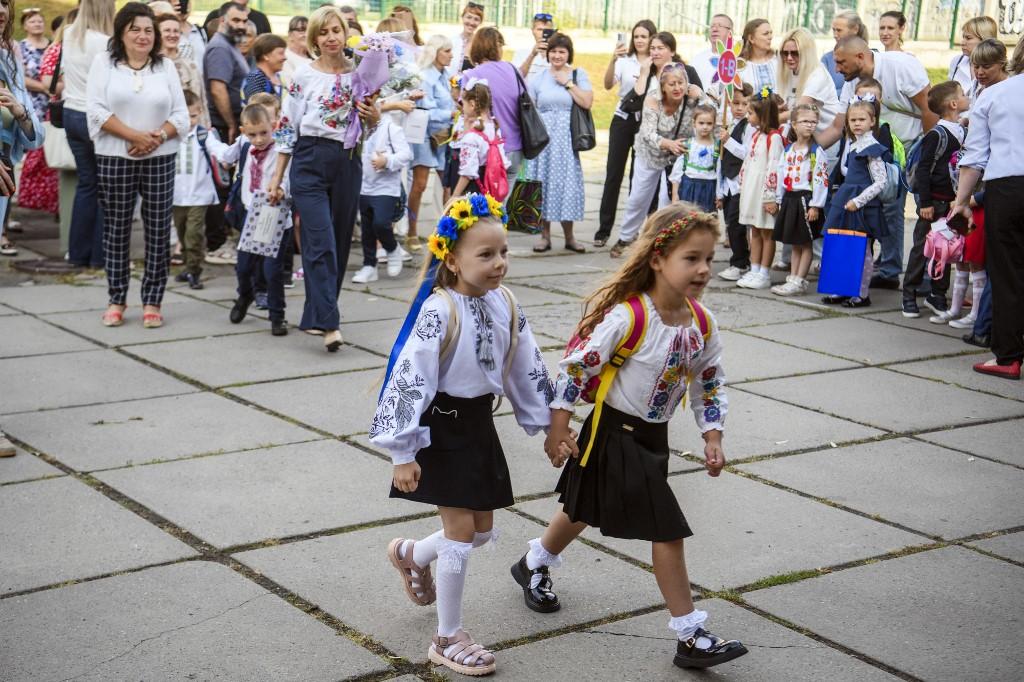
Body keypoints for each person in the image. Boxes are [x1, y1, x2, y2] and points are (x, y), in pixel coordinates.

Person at [515, 202, 748, 670]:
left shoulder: (701, 323)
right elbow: (579, 366)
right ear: (658, 259)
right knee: (667, 530)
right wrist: (558, 426)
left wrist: (713, 434)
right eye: (692, 258)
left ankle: (533, 562)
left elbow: (709, 381)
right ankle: (689, 633)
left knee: (582, 509)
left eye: (710, 258)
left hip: (652, 437)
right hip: (611, 431)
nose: (704, 269)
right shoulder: (630, 317)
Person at [374, 194, 555, 678]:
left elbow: (526, 366)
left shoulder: (506, 303)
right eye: (486, 255)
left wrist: (550, 424)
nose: (499, 263)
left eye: (503, 252)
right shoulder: (439, 309)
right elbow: (410, 377)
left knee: (482, 531)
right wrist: (402, 450)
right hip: (440, 428)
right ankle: (447, 636)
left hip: (477, 425)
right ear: (452, 260)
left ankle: (410, 554)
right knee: (458, 533)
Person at [267, 5, 379, 352]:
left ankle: (314, 315)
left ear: (346, 34)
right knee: (320, 242)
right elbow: (287, 128)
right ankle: (330, 323)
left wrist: (373, 115)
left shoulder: (361, 75)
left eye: (337, 30)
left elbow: (367, 126)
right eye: (324, 32)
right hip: (310, 160)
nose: (331, 37)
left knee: (341, 242)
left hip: (347, 162)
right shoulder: (302, 76)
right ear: (314, 38)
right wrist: (277, 177)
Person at [87, 1, 188, 329]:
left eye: (148, 30)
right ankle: (117, 297)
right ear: (121, 32)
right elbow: (97, 111)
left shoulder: (165, 67)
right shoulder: (104, 63)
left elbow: (182, 115)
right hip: (115, 156)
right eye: (135, 29)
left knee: (158, 229)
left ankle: (152, 299)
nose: (143, 36)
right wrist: (134, 136)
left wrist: (156, 137)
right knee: (117, 228)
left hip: (160, 158)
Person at [819, 36, 936, 290]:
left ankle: (926, 278)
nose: (837, 69)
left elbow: (929, 108)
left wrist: (927, 155)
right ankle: (889, 270)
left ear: (860, 57)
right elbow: (839, 126)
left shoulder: (900, 66)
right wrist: (810, 149)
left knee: (923, 212)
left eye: (841, 63)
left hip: (912, 147)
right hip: (874, 151)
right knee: (888, 211)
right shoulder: (852, 84)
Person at [949, 36, 1024, 380]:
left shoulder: (994, 95)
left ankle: (1008, 355)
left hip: (1007, 187)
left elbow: (974, 157)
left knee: (1007, 273)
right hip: (1006, 185)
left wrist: (961, 202)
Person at [204, 104, 291, 336]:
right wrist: (209, 137)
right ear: (243, 131)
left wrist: (282, 188)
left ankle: (277, 315)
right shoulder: (244, 144)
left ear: (273, 127)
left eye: (264, 132)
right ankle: (245, 295)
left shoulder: (282, 148)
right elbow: (224, 154)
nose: (259, 139)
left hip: (275, 216)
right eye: (252, 134)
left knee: (272, 270)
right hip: (251, 216)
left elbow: (289, 174)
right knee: (244, 266)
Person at [608, 62, 701, 258]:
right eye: (672, 84)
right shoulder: (653, 100)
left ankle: (661, 242)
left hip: (676, 157)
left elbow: (712, 114)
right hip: (650, 152)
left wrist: (702, 95)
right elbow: (648, 133)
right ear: (663, 86)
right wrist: (668, 143)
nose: (677, 88)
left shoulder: (692, 100)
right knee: (639, 197)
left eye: (681, 83)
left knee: (668, 200)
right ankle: (627, 236)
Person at [901, 81, 968, 319]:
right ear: (953, 104)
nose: (966, 96)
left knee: (947, 250)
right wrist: (926, 203)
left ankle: (937, 295)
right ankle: (909, 295)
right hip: (934, 204)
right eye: (962, 95)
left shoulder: (962, 131)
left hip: (952, 203)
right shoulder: (937, 135)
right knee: (922, 249)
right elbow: (923, 171)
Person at [820, 98, 890, 309]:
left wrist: (858, 201)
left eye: (862, 119)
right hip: (846, 198)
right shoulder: (854, 144)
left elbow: (880, 181)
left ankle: (861, 293)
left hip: (862, 204)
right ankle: (843, 288)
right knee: (842, 244)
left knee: (862, 248)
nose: (857, 123)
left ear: (872, 121)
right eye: (853, 120)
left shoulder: (873, 148)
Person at [526, 32, 591, 254]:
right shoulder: (539, 78)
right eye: (553, 51)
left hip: (566, 141)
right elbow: (530, 108)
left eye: (562, 51)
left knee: (566, 185)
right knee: (543, 184)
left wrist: (569, 84)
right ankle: (544, 236)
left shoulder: (577, 74)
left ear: (568, 53)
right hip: (544, 141)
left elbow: (587, 101)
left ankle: (569, 237)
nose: (557, 55)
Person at [61, 0, 115, 269]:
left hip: (70, 112)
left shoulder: (70, 33)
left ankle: (77, 253)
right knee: (105, 189)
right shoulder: (105, 42)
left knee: (86, 185)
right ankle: (100, 256)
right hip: (94, 117)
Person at [595, 19, 656, 247]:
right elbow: (608, 84)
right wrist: (613, 59)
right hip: (622, 120)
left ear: (652, 38)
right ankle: (603, 230)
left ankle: (634, 231)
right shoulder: (624, 60)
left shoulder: (655, 63)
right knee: (613, 174)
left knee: (638, 178)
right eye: (636, 36)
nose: (640, 40)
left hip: (646, 122)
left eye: (644, 36)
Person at [203, 1, 249, 263]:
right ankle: (217, 245)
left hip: (229, 124)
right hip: (222, 126)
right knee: (220, 186)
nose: (240, 25)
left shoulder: (230, 46)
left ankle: (223, 240)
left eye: (244, 20)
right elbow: (218, 88)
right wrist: (232, 123)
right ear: (223, 20)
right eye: (236, 20)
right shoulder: (219, 47)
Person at [768, 103, 827, 296]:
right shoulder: (789, 150)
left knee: (805, 242)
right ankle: (793, 278)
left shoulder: (816, 152)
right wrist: (779, 198)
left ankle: (799, 279)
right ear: (794, 124)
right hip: (790, 200)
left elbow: (820, 180)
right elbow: (781, 173)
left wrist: (816, 205)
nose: (810, 125)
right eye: (805, 121)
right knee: (794, 242)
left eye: (813, 122)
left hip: (806, 201)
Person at [351, 101, 413, 284]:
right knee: (367, 228)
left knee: (381, 223)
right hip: (364, 187)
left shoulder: (391, 129)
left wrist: (387, 160)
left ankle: (392, 248)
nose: (365, 113)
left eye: (370, 108)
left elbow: (406, 154)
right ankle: (369, 265)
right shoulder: (359, 129)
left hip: (386, 188)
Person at [461, 28, 525, 196]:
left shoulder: (472, 76)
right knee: (502, 207)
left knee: (485, 210)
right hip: (515, 147)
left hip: (488, 151)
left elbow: (468, 114)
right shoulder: (514, 70)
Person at [406, 34, 456, 249]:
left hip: (443, 135)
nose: (451, 55)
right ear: (435, 53)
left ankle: (447, 231)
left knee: (447, 184)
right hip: (425, 134)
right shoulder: (426, 76)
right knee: (420, 184)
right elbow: (427, 110)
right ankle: (411, 231)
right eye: (446, 51)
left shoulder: (445, 75)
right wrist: (452, 114)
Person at [734, 89, 784, 290]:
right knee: (754, 230)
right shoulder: (755, 136)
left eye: (751, 113)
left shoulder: (775, 138)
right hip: (751, 191)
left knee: (767, 232)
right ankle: (754, 269)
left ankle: (764, 272)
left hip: (764, 194)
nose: (747, 116)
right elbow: (748, 160)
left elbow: (774, 168)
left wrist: (770, 196)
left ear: (762, 115)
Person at [170, 90, 219, 290]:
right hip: (177, 195)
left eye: (193, 115)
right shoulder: (171, 137)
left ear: (199, 113)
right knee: (181, 231)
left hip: (199, 194)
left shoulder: (203, 135)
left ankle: (194, 269)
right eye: (185, 116)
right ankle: (189, 267)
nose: (189, 120)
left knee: (194, 233)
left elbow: (218, 149)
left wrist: (228, 156)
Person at [15, 7, 57, 217]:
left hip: (53, 106)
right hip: (30, 105)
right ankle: (15, 202)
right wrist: (44, 88)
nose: (37, 24)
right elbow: (19, 77)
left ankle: (49, 201)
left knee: (49, 154)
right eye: (32, 21)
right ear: (25, 25)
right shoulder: (20, 48)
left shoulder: (52, 46)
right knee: (26, 154)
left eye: (40, 21)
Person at [715, 84, 754, 281]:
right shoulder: (728, 123)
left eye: (744, 104)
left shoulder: (748, 127)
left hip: (740, 182)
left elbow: (746, 153)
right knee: (730, 224)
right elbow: (721, 160)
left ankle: (741, 262)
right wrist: (720, 190)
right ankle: (740, 259)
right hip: (728, 183)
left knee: (737, 225)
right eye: (735, 103)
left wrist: (728, 140)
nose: (739, 107)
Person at [449, 79, 508, 197]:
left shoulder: (473, 136)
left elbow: (468, 172)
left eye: (463, 103)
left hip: (473, 190)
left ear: (472, 104)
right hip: (489, 187)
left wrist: (454, 196)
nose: (462, 107)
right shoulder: (494, 129)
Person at [158, 13, 208, 127]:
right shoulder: (152, 65)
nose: (172, 35)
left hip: (191, 127)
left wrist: (205, 129)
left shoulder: (191, 66)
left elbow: (202, 102)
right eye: (167, 30)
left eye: (176, 31)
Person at [669, 104, 717, 212]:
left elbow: (719, 172)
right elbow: (676, 173)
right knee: (686, 218)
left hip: (708, 189)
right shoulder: (688, 144)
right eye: (701, 123)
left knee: (705, 221)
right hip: (688, 187)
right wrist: (675, 195)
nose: (705, 127)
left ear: (714, 124)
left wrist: (720, 195)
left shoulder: (717, 147)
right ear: (693, 123)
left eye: (709, 123)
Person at [949, 16, 998, 107]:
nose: (962, 42)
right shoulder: (957, 62)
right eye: (963, 37)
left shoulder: (996, 67)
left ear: (984, 40)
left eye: (968, 38)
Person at [821, 10, 867, 97]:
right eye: (833, 30)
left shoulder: (868, 58)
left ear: (855, 29)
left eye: (839, 30)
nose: (835, 34)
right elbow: (821, 91)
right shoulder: (827, 58)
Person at [691, 14, 733, 97]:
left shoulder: (737, 59)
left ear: (730, 32)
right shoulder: (697, 59)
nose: (715, 29)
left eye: (720, 26)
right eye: (712, 26)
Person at [242, 33, 285, 104]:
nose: (285, 57)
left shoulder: (280, 77)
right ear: (266, 55)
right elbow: (257, 110)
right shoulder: (255, 78)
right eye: (281, 53)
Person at [738, 19, 777, 95]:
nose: (770, 37)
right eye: (765, 34)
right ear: (751, 38)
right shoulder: (740, 66)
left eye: (771, 33)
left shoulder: (778, 60)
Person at [514, 12, 553, 82]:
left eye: (547, 30)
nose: (543, 33)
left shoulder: (560, 53)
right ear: (532, 30)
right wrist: (532, 55)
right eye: (539, 29)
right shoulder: (521, 52)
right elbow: (517, 78)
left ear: (552, 32)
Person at [449, 2, 482, 75]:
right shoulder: (452, 42)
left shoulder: (482, 45)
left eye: (476, 19)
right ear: (462, 17)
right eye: (469, 17)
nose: (471, 22)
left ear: (480, 22)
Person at [204, 0, 268, 36]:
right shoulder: (214, 15)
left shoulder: (261, 18)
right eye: (236, 20)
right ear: (222, 20)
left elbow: (267, 46)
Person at [282, 15, 310, 83]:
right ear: (290, 34)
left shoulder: (315, 55)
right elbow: (290, 85)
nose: (306, 35)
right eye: (301, 30)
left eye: (308, 30)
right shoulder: (285, 57)